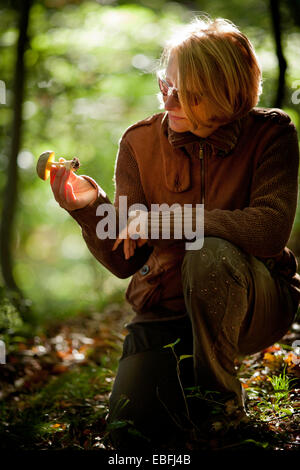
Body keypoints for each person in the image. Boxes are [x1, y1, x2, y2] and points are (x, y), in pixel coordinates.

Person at [50, 17, 300, 449]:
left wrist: (172, 221)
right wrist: (90, 210)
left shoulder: (271, 134)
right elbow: (125, 259)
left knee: (210, 251)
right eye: (166, 84)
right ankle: (185, 381)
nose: (169, 100)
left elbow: (268, 231)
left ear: (228, 91)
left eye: (188, 93)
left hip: (254, 302)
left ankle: (220, 413)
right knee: (133, 435)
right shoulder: (138, 143)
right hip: (165, 310)